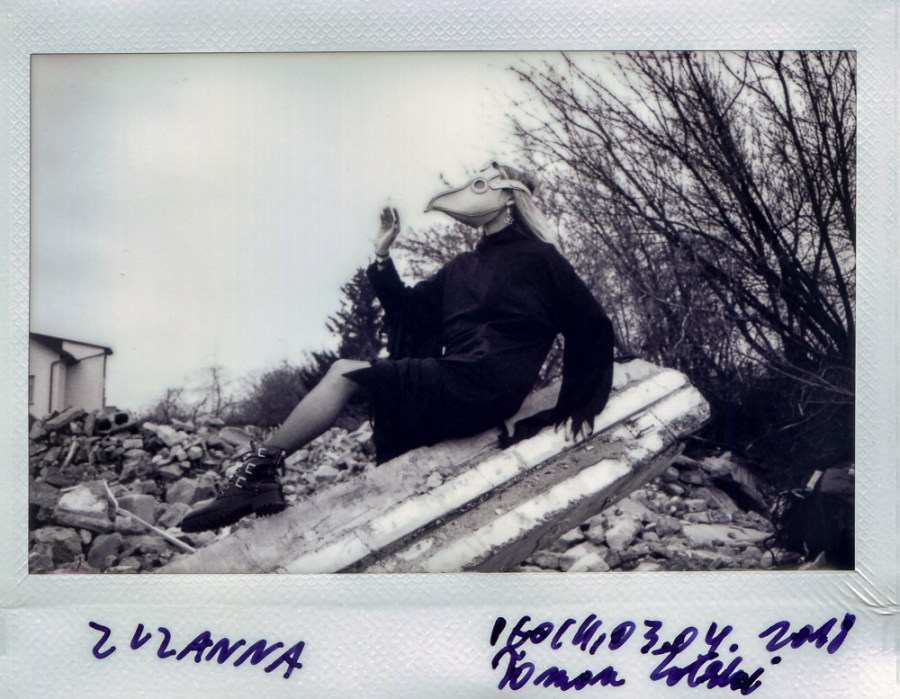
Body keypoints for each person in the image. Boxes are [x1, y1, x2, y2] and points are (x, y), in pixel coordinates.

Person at [180, 162, 615, 534]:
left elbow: (592, 326)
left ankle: (258, 472)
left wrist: (573, 406)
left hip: (486, 384)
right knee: (363, 378)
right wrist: (382, 257)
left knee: (344, 372)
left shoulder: (541, 259)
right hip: (457, 377)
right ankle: (263, 475)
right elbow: (410, 311)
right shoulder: (462, 266)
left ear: (508, 199)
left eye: (483, 181)